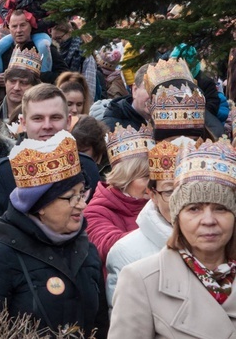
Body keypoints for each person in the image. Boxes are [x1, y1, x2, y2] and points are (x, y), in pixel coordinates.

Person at [0, 131, 108, 336]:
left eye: (81, 193)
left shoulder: (86, 249)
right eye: (70, 197)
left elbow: (100, 325)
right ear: (40, 205)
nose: (81, 204)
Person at [108, 139, 236, 337]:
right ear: (177, 217)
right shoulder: (141, 280)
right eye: (194, 209)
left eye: (221, 208)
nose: (208, 220)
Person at [0, 84, 101, 217]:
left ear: (68, 121)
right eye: (38, 118)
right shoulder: (2, 174)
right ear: (23, 123)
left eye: (55, 117)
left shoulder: (87, 166)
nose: (47, 126)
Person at [105, 137, 186, 305]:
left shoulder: (222, 242)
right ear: (153, 195)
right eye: (170, 191)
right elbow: (127, 326)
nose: (181, 200)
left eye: (186, 189)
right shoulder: (125, 252)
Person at [85, 124, 153, 268]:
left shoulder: (163, 204)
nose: (153, 184)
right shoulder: (96, 211)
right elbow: (110, 246)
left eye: (157, 177)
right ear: (124, 178)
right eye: (146, 177)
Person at [0, 9, 69, 88]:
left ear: (31, 26)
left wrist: (36, 76)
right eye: (14, 26)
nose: (18, 30)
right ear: (9, 27)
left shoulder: (45, 49)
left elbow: (66, 76)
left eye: (23, 25)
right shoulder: (3, 51)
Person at [0, 47, 42, 122]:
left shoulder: (40, 116)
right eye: (12, 81)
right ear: (5, 82)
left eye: (24, 83)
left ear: (34, 87)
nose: (16, 88)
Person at [101, 64, 150, 131]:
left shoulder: (167, 126)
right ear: (134, 90)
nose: (155, 96)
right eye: (149, 89)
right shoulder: (110, 126)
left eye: (162, 91)